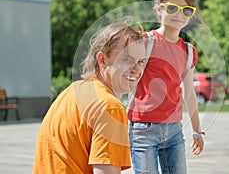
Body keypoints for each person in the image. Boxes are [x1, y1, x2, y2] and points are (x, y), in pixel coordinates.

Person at [33, 23, 146, 174]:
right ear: (102, 59)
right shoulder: (110, 107)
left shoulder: (73, 90)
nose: (136, 69)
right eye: (127, 59)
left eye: (140, 62)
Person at [127, 0, 205, 174]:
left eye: (186, 10)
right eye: (172, 8)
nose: (179, 15)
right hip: (142, 130)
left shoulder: (188, 51)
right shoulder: (145, 41)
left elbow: (189, 94)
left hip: (174, 131)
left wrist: (196, 129)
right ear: (159, 8)